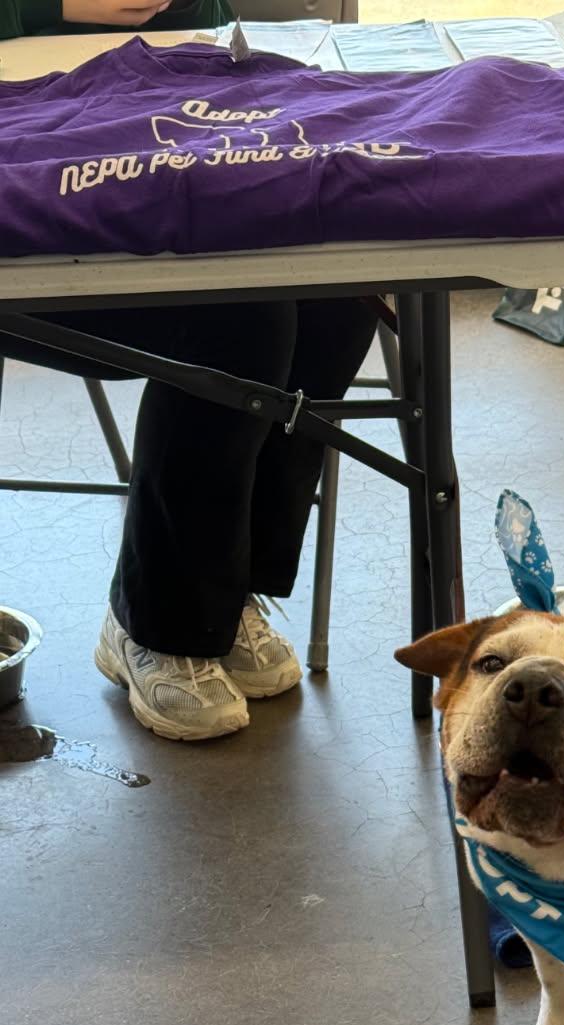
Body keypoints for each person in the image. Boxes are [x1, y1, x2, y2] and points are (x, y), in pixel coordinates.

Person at [0, 0, 380, 740]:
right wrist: (59, 6)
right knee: (235, 316)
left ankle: (225, 590)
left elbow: (211, 29)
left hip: (144, 131)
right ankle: (159, 621)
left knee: (339, 296)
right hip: (33, 168)